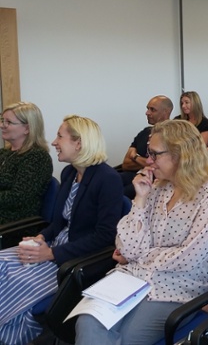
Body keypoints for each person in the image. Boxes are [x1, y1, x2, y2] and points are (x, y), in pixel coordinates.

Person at [75, 120, 208, 345]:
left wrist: (142, 255)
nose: (148, 161)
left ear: (180, 155)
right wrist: (140, 198)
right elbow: (126, 246)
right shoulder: (157, 189)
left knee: (128, 338)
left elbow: (189, 258)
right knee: (88, 320)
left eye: (155, 154)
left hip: (176, 287)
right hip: (133, 279)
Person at [0, 115, 123, 345]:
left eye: (60, 136)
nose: (54, 142)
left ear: (79, 143)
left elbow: (105, 236)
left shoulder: (108, 179)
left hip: (72, 260)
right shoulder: (69, 174)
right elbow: (58, 223)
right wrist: (41, 237)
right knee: (2, 262)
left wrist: (52, 254)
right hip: (53, 248)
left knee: (14, 280)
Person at [0, 101, 52, 224]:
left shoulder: (37, 157)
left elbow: (17, 198)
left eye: (9, 122)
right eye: (2, 120)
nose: (2, 125)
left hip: (14, 224)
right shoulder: (4, 153)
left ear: (27, 128)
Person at [119, 95, 173, 199]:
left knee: (118, 195)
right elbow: (126, 164)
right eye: (147, 108)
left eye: (152, 110)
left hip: (155, 180)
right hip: (132, 175)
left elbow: (158, 166)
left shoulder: (172, 136)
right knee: (107, 182)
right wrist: (145, 164)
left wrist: (135, 157)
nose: (147, 113)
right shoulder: (145, 133)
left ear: (166, 112)